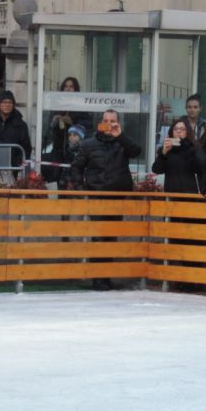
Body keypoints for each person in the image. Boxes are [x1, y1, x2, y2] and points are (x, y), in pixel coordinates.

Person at [71, 108, 141, 290]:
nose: (109, 124)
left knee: (111, 236)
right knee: (99, 237)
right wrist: (81, 190)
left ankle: (106, 276)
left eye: (113, 121)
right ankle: (98, 278)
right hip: (97, 197)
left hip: (117, 197)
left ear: (118, 123)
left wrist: (121, 136)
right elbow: (76, 168)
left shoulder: (122, 142)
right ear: (100, 123)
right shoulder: (88, 144)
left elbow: (136, 151)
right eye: (106, 120)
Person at [151, 118, 200, 193]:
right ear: (172, 132)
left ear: (187, 132)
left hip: (190, 194)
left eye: (182, 129)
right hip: (171, 194)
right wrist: (163, 153)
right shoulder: (166, 149)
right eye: (175, 129)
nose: (178, 131)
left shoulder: (192, 147)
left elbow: (199, 168)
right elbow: (156, 170)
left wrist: (186, 146)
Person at [0, 89, 31, 168]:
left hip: (12, 167)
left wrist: (18, 164)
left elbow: (26, 147)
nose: (7, 105)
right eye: (4, 102)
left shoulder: (21, 124)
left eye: (10, 102)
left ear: (13, 105)